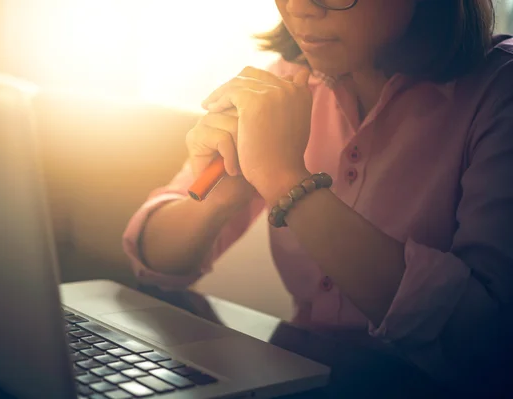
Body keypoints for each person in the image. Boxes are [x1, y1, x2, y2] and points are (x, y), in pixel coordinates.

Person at [129, 0, 512, 394]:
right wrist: (218, 201)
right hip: (302, 377)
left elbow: (486, 343)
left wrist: (284, 179)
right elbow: (152, 258)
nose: (298, 7)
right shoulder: (287, 84)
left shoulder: (500, 94)